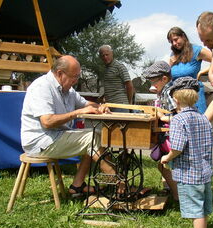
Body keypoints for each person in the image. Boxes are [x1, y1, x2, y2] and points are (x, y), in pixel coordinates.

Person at [21, 55, 114, 196]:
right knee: (92, 138)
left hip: (56, 137)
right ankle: (121, 185)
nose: (76, 81)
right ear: (59, 73)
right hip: (40, 141)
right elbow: (47, 122)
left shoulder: (67, 90)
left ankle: (77, 186)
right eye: (74, 77)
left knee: (98, 134)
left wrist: (99, 106)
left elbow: (84, 103)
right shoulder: (42, 87)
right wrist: (77, 113)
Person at [160, 77, 213, 228]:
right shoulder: (203, 118)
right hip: (205, 172)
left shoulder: (178, 119)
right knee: (202, 207)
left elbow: (177, 147)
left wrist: (166, 157)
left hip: (189, 173)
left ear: (175, 98)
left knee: (195, 209)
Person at [142, 60, 178, 200]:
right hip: (167, 134)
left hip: (172, 136)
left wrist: (160, 115)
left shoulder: (169, 92)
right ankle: (176, 194)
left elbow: (177, 116)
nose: (152, 85)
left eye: (153, 82)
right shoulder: (163, 91)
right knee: (163, 165)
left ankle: (178, 197)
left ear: (164, 79)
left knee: (165, 166)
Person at [167, 26, 212, 113]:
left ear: (183, 36)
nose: (174, 43)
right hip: (178, 100)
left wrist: (204, 72)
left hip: (194, 98)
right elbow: (168, 77)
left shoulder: (196, 50)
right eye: (171, 42)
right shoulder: (173, 54)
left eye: (176, 39)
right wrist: (170, 64)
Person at [99, 45, 135, 112]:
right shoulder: (105, 68)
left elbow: (129, 85)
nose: (105, 57)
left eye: (107, 54)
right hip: (109, 106)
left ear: (112, 54)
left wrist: (129, 103)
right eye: (103, 55)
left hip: (120, 105)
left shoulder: (119, 66)